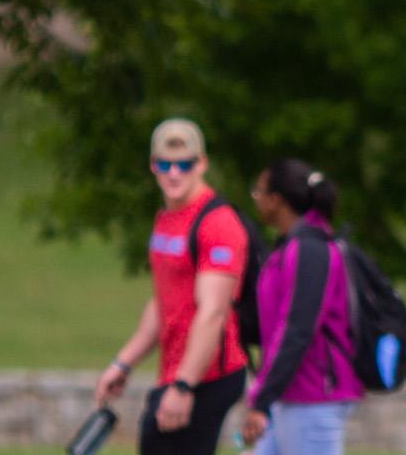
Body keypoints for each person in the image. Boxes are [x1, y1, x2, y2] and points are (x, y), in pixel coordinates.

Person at [94, 118, 250, 455]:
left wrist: (184, 387)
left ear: (202, 163)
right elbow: (164, 302)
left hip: (209, 374)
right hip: (178, 372)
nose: (174, 173)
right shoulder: (166, 218)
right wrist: (123, 363)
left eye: (185, 164)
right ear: (153, 165)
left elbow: (213, 313)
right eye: (165, 164)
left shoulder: (218, 224)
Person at [239, 159, 363, 455]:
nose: (255, 198)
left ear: (277, 200)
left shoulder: (310, 250)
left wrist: (262, 398)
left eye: (258, 192)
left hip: (313, 398)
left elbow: (296, 329)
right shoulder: (291, 246)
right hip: (290, 395)